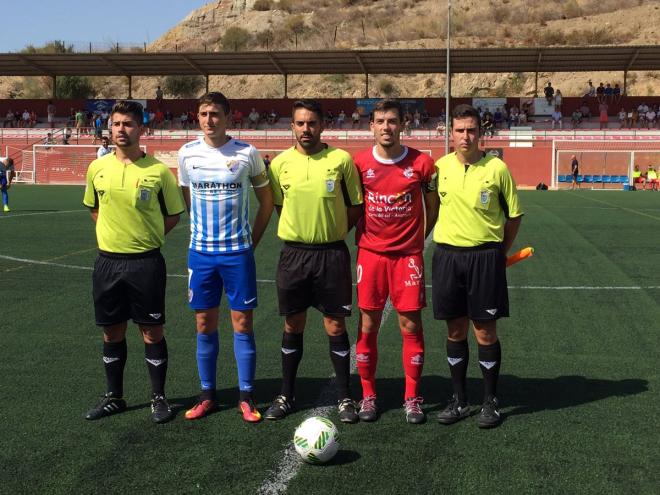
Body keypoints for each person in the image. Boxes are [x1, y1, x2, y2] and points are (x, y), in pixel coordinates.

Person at [82, 100, 185, 424]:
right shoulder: (97, 168)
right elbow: (94, 208)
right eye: (116, 124)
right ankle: (114, 397)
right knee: (111, 332)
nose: (121, 130)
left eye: (128, 124)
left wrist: (145, 236)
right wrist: (113, 236)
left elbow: (173, 215)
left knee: (151, 331)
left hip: (145, 263)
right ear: (109, 129)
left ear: (141, 129)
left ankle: (159, 398)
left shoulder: (158, 172)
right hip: (108, 263)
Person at [265, 99, 363, 423]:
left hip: (332, 254)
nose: (306, 129)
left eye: (312, 123)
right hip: (294, 255)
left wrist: (332, 231)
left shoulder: (341, 160)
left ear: (322, 125)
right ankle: (286, 394)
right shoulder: (279, 165)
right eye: (300, 123)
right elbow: (280, 206)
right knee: (293, 323)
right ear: (292, 126)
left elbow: (354, 207)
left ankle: (346, 397)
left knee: (335, 324)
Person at [178, 92, 274, 422]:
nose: (209, 120)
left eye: (216, 114)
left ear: (229, 117)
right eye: (204, 114)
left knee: (242, 323)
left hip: (237, 255)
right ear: (197, 117)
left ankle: (246, 396)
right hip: (201, 255)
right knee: (204, 324)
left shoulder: (247, 153)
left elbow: (266, 202)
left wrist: (252, 242)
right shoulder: (186, 154)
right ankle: (207, 395)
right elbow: (188, 196)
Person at [432, 104, 523, 429]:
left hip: (485, 258)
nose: (465, 136)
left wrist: (500, 252)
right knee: (455, 330)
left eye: (471, 130)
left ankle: (490, 401)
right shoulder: (439, 167)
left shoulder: (497, 168)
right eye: (459, 130)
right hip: (447, 257)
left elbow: (514, 216)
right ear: (450, 133)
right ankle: (459, 399)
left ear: (480, 133)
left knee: (484, 330)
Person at [352, 99, 439, 424]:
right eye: (380, 121)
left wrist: (417, 240)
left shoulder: (422, 163)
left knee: (411, 325)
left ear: (403, 124)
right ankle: (368, 395)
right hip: (371, 256)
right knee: (368, 325)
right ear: (371, 126)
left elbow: (433, 205)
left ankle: (412, 397)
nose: (386, 127)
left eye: (392, 121)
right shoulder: (359, 163)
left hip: (407, 258)